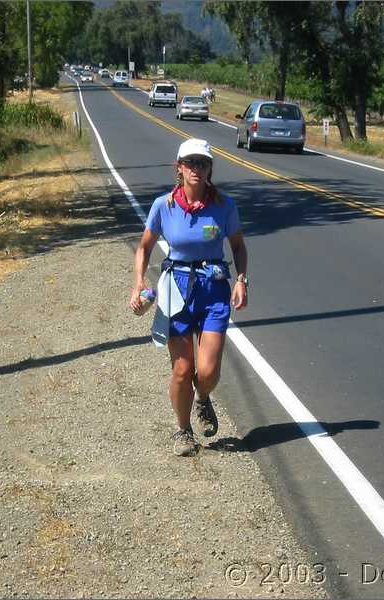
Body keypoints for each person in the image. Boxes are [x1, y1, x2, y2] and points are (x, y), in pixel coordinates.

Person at [130, 138, 249, 457]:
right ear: (179, 167)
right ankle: (182, 431)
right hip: (176, 291)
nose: (197, 168)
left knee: (208, 372)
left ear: (210, 168)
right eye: (191, 163)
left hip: (214, 290)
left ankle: (202, 397)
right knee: (183, 369)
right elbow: (144, 246)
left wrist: (241, 280)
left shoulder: (224, 205)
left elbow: (237, 245)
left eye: (203, 163)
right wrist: (138, 283)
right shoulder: (163, 206)